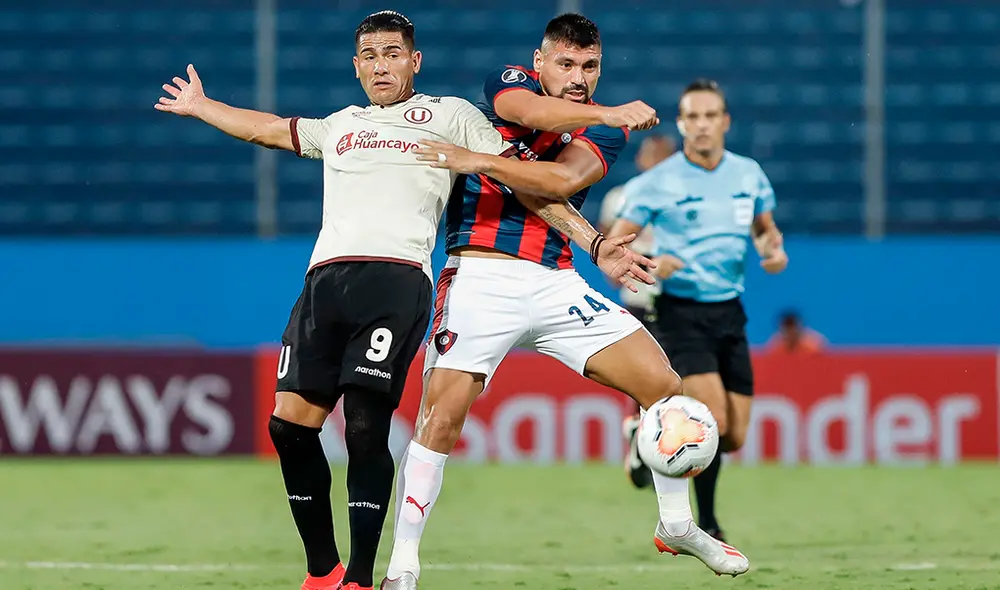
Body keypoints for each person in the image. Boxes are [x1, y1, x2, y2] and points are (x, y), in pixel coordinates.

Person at [155, 10, 648, 590]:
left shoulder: (452, 116)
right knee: (288, 427)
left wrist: (591, 241)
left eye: (394, 54)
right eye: (370, 55)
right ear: (357, 66)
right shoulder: (340, 124)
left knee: (365, 428)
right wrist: (202, 105)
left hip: (396, 281)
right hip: (323, 283)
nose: (382, 65)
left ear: (414, 62)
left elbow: (520, 180)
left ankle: (362, 577)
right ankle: (322, 571)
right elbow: (267, 128)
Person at [380, 15, 750, 590]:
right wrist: (607, 111)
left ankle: (676, 524)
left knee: (663, 384)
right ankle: (404, 561)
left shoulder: (605, 133)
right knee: (441, 415)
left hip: (555, 282)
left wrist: (481, 161)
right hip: (480, 274)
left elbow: (556, 182)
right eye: (568, 64)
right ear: (540, 61)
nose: (579, 78)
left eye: (591, 67)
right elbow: (529, 114)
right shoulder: (510, 84)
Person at [610, 78, 789, 543]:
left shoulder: (748, 174)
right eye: (693, 117)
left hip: (730, 312)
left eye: (711, 116)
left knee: (734, 438)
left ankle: (641, 433)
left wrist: (772, 247)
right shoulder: (657, 182)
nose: (703, 125)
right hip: (680, 314)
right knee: (717, 422)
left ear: (725, 122)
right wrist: (652, 263)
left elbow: (765, 228)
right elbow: (613, 250)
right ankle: (705, 522)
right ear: (682, 123)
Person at [598, 134, 676, 490]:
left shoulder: (680, 196)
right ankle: (647, 436)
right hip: (642, 296)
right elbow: (604, 243)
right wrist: (615, 272)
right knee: (656, 374)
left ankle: (639, 429)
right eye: (651, 154)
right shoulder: (622, 198)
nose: (655, 160)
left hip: (679, 298)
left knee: (666, 378)